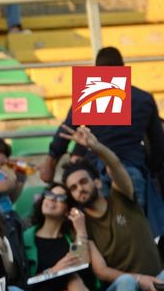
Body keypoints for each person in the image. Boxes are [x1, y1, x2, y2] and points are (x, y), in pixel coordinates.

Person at [40, 47, 164, 234]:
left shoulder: (92, 95)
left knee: (102, 231)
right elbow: (158, 144)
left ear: (97, 70)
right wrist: (148, 167)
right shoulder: (143, 98)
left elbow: (64, 132)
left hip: (95, 174)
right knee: (134, 231)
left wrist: (50, 161)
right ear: (123, 69)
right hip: (131, 172)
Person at [61, 125, 164, 291]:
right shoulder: (81, 224)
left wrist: (96, 147)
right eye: (73, 188)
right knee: (126, 283)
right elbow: (100, 271)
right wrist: (139, 279)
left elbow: (115, 165)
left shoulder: (123, 197)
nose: (79, 190)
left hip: (158, 281)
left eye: (83, 182)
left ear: (98, 182)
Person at [23, 185, 100, 291]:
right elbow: (22, 279)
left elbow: (83, 265)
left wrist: (81, 230)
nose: (52, 199)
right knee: (73, 279)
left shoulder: (70, 238)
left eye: (60, 198)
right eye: (49, 194)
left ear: (68, 210)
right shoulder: (26, 237)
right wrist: (54, 270)